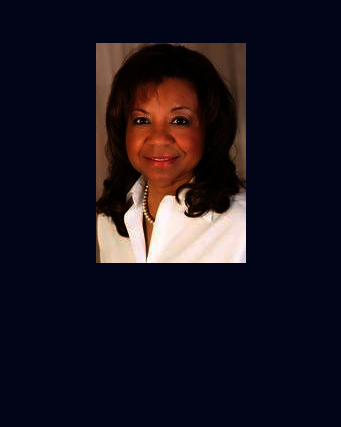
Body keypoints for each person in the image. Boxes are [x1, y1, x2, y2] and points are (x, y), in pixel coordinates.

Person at [97, 44, 246, 263]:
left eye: (179, 121)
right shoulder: (108, 221)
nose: (159, 138)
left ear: (210, 130)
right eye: (142, 120)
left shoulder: (241, 225)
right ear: (123, 129)